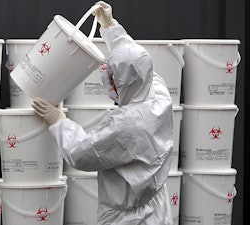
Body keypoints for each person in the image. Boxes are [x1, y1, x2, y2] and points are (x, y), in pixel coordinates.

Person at [31, 1, 174, 224]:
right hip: (157, 207)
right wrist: (110, 26)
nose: (111, 85)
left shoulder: (125, 125)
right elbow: (135, 61)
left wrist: (59, 121)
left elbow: (81, 153)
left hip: (128, 218)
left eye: (114, 80)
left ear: (124, 84)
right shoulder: (158, 93)